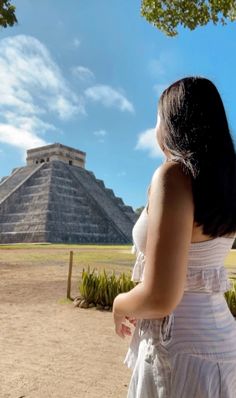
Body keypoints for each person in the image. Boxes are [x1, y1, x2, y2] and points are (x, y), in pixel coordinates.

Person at [112, 76, 236, 398]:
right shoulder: (226, 185)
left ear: (171, 122)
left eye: (157, 118)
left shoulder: (174, 175)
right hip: (222, 343)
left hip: (177, 354)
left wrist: (119, 302)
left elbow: (161, 296)